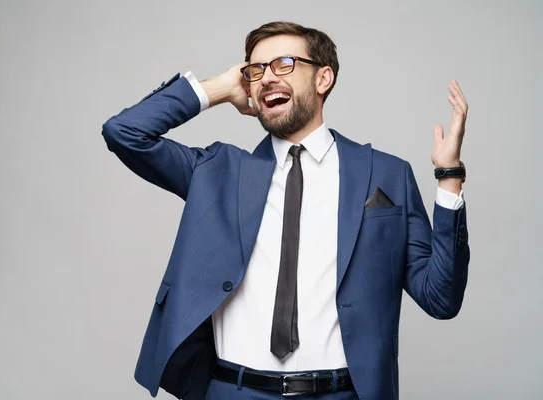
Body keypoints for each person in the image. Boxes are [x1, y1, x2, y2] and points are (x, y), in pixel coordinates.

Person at [101, 21, 470, 400]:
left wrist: (449, 176)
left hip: (342, 394)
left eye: (284, 64)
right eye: (255, 70)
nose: (265, 78)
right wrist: (220, 88)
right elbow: (124, 132)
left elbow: (440, 297)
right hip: (234, 391)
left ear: (323, 78)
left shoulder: (387, 174)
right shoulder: (217, 172)